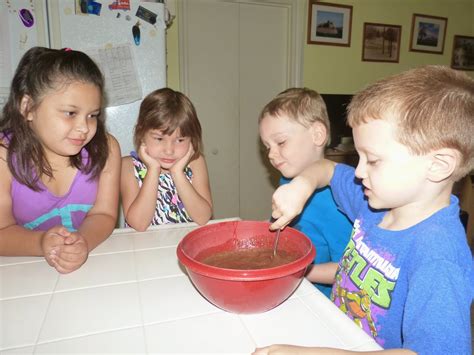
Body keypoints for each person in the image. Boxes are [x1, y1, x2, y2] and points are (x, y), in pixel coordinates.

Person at [254, 65, 474, 354]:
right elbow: (328, 169)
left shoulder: (438, 253)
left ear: (438, 165)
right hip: (336, 332)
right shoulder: (373, 202)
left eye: (373, 160)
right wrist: (302, 185)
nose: (358, 172)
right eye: (359, 157)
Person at [0, 47, 121, 274]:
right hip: (21, 273)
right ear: (28, 108)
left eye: (92, 115)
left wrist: (82, 242)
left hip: (91, 266)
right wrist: (41, 243)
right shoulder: (3, 155)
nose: (84, 127)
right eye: (70, 113)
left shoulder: (107, 149)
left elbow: (104, 214)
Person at [258, 88, 352, 297]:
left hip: (321, 300)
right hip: (293, 287)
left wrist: (300, 272)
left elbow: (348, 270)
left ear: (317, 135)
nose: (271, 155)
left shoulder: (336, 201)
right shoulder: (289, 181)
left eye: (280, 142)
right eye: (267, 147)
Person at [120, 88, 212, 231]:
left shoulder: (195, 162)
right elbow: (139, 224)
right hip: (144, 249)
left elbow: (203, 217)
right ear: (142, 134)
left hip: (186, 245)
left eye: (180, 140)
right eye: (159, 139)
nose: (169, 150)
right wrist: (153, 170)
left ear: (192, 139)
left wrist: (177, 173)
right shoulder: (127, 167)